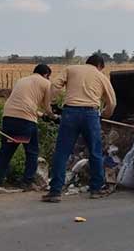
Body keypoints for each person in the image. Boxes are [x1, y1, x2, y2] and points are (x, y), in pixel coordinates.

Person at [42, 54, 116, 202]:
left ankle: (55, 191)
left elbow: (54, 86)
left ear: (87, 62)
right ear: (100, 66)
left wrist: (49, 107)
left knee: (62, 152)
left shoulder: (71, 69)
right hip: (91, 114)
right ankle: (96, 189)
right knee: (95, 152)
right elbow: (112, 102)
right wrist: (105, 115)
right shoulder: (101, 77)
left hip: (70, 112)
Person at [0, 64, 53, 192]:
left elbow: (25, 102)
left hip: (9, 117)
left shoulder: (21, 81)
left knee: (6, 151)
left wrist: (40, 115)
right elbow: (48, 108)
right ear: (46, 74)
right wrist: (52, 116)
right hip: (25, 121)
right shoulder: (46, 83)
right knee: (31, 151)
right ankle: (27, 181)